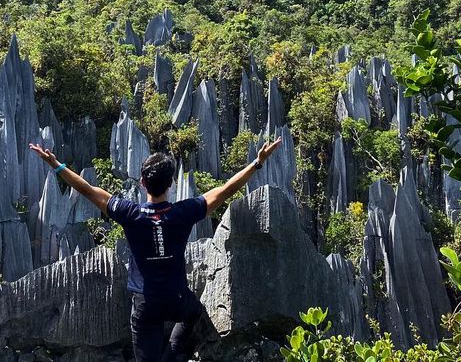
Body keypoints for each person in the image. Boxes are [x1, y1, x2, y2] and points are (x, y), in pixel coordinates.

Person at [28, 136, 283, 362]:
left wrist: (56, 164)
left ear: (141, 182)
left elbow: (88, 190)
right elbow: (226, 190)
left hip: (145, 304)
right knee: (193, 311)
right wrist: (257, 163)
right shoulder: (183, 213)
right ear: (171, 183)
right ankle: (172, 355)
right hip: (177, 300)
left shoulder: (130, 214)